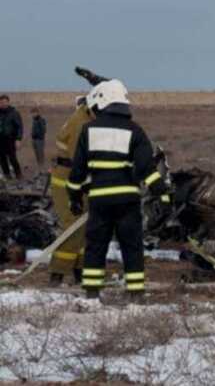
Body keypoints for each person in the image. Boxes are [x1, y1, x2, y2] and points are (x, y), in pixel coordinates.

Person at [67, 79, 170, 299]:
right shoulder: (135, 130)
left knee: (95, 246)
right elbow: (146, 169)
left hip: (99, 201)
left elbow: (77, 172)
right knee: (131, 247)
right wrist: (162, 194)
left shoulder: (88, 130)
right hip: (127, 201)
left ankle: (92, 294)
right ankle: (135, 293)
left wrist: (74, 197)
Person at [47, 68, 107, 286]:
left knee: (86, 227)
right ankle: (57, 274)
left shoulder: (87, 116)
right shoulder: (82, 124)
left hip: (77, 180)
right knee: (75, 228)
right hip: (68, 182)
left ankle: (81, 272)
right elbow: (80, 161)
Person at [0, 95, 23, 180]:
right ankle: (7, 175)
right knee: (2, 159)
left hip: (10, 139)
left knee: (12, 158)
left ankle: (18, 174)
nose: (3, 104)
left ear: (8, 102)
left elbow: (19, 127)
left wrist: (18, 139)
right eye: (1, 102)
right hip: (0, 139)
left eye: (5, 102)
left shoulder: (14, 113)